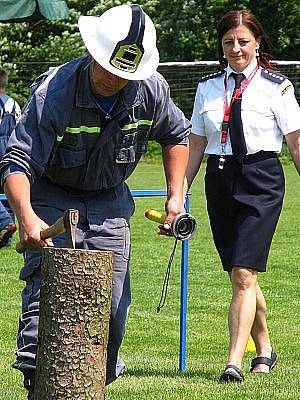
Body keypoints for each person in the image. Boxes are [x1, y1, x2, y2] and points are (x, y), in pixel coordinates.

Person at [0, 5, 190, 399]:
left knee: (113, 311)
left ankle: (90, 387)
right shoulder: (54, 91)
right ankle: (40, 384)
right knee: (46, 299)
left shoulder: (151, 89)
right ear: (93, 53)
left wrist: (176, 197)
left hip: (109, 202)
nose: (115, 78)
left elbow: (176, 136)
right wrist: (28, 216)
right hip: (49, 197)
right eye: (109, 67)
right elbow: (17, 162)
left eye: (125, 73)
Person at [186, 10, 300, 383]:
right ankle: (264, 346)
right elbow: (196, 143)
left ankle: (234, 361)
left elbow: (296, 143)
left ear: (257, 44)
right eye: (228, 42)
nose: (236, 49)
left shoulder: (277, 86)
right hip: (219, 180)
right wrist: (179, 192)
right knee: (242, 274)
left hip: (261, 178)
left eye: (243, 41)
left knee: (243, 271)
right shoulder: (207, 86)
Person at [0, 68, 20, 247]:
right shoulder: (13, 103)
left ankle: (3, 221)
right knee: (7, 188)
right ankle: (7, 237)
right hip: (10, 147)